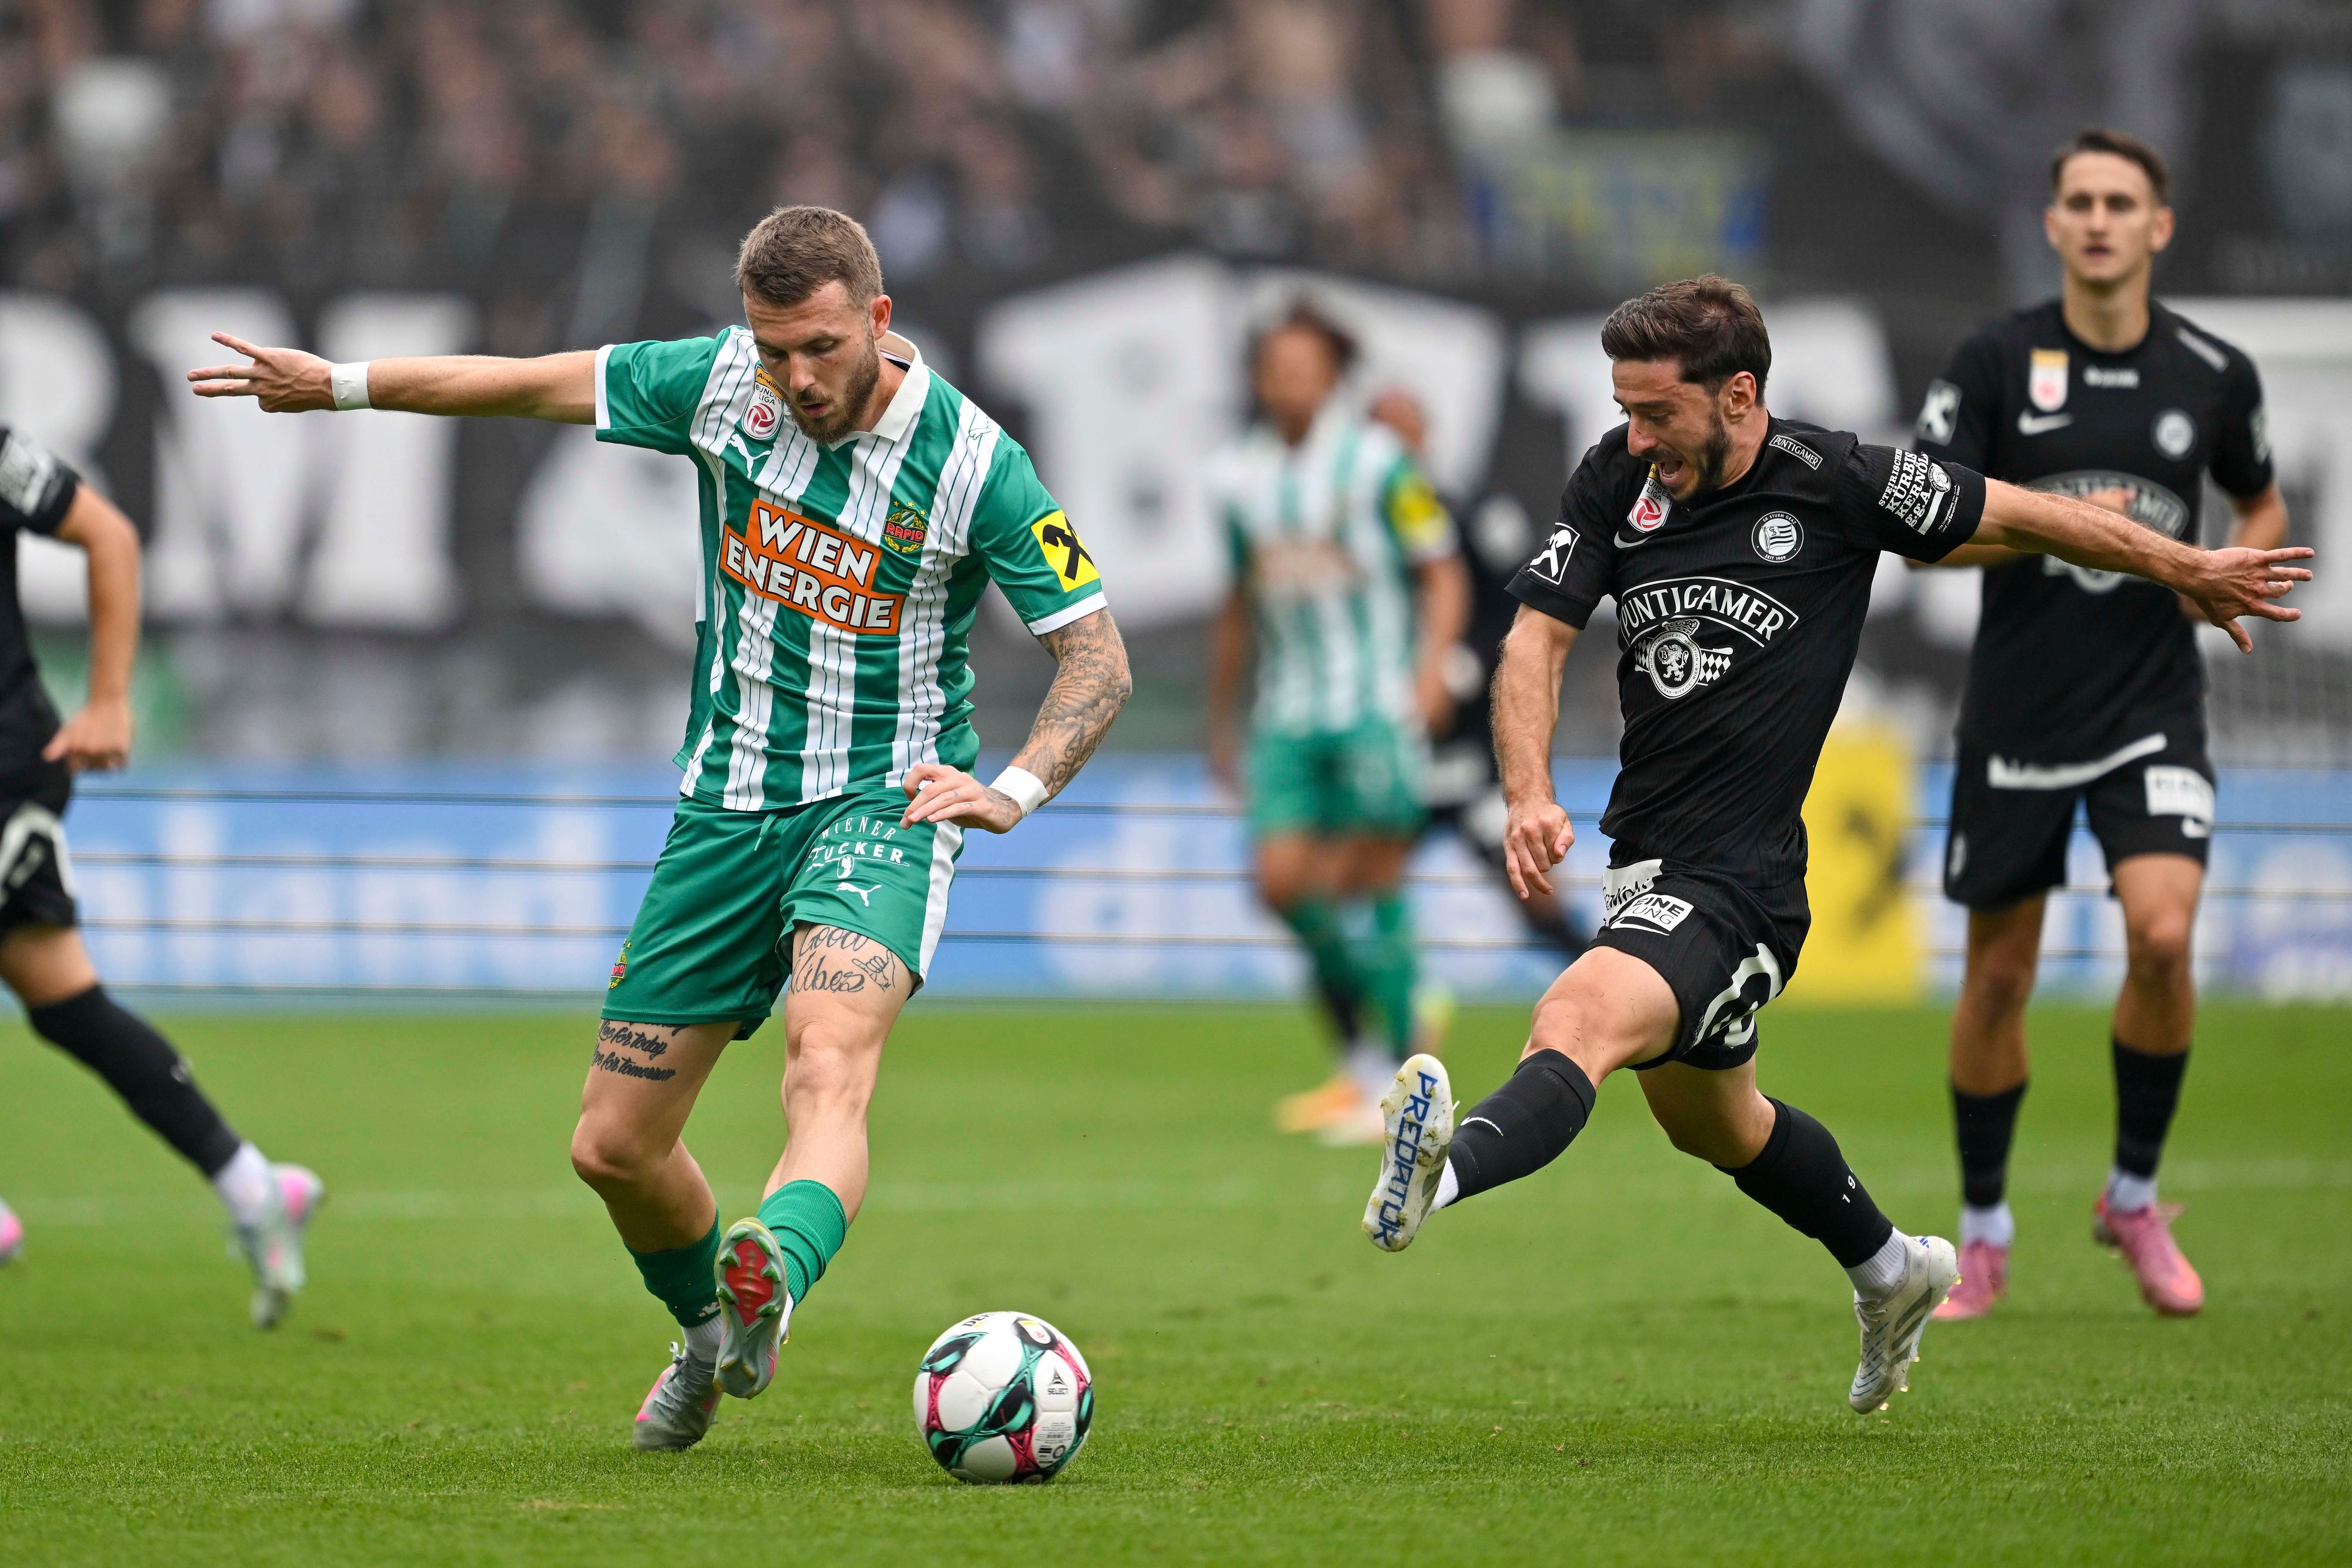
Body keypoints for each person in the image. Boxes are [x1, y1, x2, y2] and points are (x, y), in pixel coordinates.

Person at [191, 205, 1132, 1451]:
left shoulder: (973, 461)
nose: (794, 378)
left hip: (879, 805)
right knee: (612, 1145)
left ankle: (773, 1267)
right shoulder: (720, 383)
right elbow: (528, 386)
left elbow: (1096, 658)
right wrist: (345, 387)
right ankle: (712, 1335)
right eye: (773, 348)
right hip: (721, 808)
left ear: (878, 320)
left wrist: (1009, 788)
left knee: (825, 1059)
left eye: (820, 346)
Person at [1358, 275, 2307, 1414]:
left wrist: (2186, 565)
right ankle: (1891, 1267)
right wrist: (1525, 790)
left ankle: (1435, 1175)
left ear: (1739, 394)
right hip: (1644, 866)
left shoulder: (1841, 481)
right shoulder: (1617, 477)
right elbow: (1533, 642)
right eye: (1624, 409)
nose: (1634, 435)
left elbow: (2024, 513)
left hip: (1743, 883)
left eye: (1656, 412)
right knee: (1718, 1122)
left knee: (1574, 1020)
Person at [1910, 129, 2287, 1321]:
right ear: (2050, 223)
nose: (2096, 219)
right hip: (2015, 714)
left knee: (2164, 939)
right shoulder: (1990, 361)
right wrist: (2080, 527)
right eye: (2075, 199)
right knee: (1994, 986)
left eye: (2119, 202)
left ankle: (2130, 1194)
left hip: (2148, 710)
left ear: (2157, 226)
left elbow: (2258, 495)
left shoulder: (2212, 374)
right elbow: (1928, 524)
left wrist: (2211, 571)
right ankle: (1981, 1231)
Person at [0, 428, 321, 1323]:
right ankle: (253, 1182)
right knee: (60, 994)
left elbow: (109, 533)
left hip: (6, 758)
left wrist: (108, 698)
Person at [1203, 303, 1470, 1145]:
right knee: (1282, 885)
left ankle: (1393, 1080)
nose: (1290, 379)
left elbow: (1443, 570)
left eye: (1306, 364)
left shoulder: (1381, 462)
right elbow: (1241, 600)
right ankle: (1393, 1023)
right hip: (1286, 711)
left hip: (1372, 704)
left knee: (1372, 882)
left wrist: (1430, 669)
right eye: (1277, 364)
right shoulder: (1235, 477)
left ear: (1331, 374)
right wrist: (1221, 715)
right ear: (1258, 376)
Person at [1366, 387, 1589, 964]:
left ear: (1424, 437)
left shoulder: (1471, 512)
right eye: (1376, 432)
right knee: (1364, 881)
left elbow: (1523, 604)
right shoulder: (1353, 523)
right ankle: (1393, 1016)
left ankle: (1600, 976)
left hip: (1470, 746)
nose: (1389, 445)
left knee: (1526, 882)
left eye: (1400, 430)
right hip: (1389, 742)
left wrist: (1465, 661)